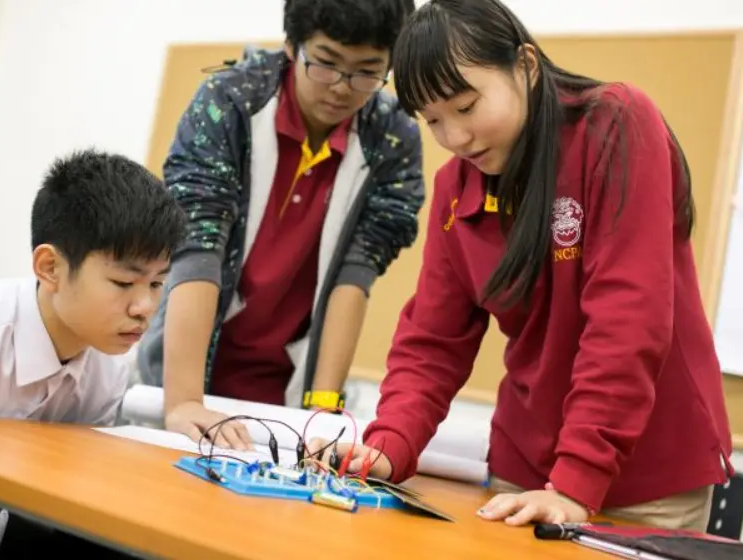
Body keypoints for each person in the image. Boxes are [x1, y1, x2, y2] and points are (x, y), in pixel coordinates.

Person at [307, 0, 734, 533]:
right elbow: (432, 341)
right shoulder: (454, 189)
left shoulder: (613, 124)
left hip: (647, 475)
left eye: (465, 107)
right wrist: (387, 446)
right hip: (526, 474)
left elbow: (628, 318)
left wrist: (576, 481)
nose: (455, 139)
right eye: (434, 121)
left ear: (527, 66)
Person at [137, 0, 424, 448]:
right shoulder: (230, 102)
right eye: (325, 64)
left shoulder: (391, 137)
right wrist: (184, 402)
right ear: (292, 45)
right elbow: (199, 245)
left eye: (368, 72)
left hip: (285, 386)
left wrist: (323, 412)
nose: (342, 89)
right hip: (186, 369)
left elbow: (356, 274)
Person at [0, 149, 185, 557]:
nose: (145, 308)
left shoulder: (109, 367)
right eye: (123, 283)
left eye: (156, 285)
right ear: (50, 268)